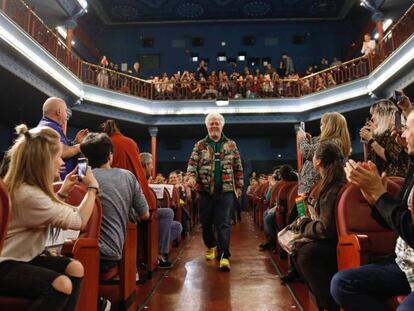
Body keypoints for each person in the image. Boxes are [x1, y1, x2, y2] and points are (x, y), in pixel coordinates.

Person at [0, 124, 101, 310]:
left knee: (75, 268)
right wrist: (92, 188)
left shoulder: (27, 188)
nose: (62, 163)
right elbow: (79, 221)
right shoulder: (29, 194)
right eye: (58, 157)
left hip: (22, 257)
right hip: (5, 264)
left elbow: (44, 213)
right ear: (44, 160)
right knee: (62, 284)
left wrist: (63, 192)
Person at [330, 109, 414, 310]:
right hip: (404, 264)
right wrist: (376, 201)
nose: (402, 135)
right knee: (341, 284)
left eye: (408, 129)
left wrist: (380, 196)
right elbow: (399, 219)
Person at [80, 133, 152, 273]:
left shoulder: (82, 177)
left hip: (81, 248)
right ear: (110, 155)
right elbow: (145, 215)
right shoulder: (127, 176)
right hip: (109, 254)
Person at [289, 142, 347, 311]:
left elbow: (326, 229)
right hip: (338, 238)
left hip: (337, 243)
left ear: (318, 161)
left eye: (313, 156)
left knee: (301, 251)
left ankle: (327, 304)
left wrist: (304, 225)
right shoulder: (337, 180)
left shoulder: (331, 187)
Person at [187, 112, 244, 271]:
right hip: (205, 191)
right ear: (207, 126)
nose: (214, 126)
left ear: (222, 125)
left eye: (216, 123)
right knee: (205, 223)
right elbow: (192, 164)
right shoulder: (200, 145)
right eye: (211, 123)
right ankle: (211, 244)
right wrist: (191, 177)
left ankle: (224, 255)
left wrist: (239, 186)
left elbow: (238, 168)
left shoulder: (231, 145)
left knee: (224, 224)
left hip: (226, 191)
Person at [140, 152, 183, 268]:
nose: (153, 167)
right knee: (168, 212)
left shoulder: (145, 179)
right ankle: (158, 254)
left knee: (177, 226)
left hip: (148, 211)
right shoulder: (139, 179)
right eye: (151, 165)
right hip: (141, 214)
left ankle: (155, 250)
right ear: (146, 165)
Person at [38, 97, 88, 180]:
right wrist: (80, 146)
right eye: (65, 111)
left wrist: (76, 142)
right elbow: (62, 152)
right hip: (57, 185)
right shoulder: (48, 127)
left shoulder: (52, 126)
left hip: (64, 183)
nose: (66, 115)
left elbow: (64, 149)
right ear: (59, 111)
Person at [360, 99, 409, 177]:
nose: (372, 118)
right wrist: (366, 142)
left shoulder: (396, 130)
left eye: (374, 113)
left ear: (383, 113)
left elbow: (392, 158)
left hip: (396, 180)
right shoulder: (381, 134)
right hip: (383, 179)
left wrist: (371, 140)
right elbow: (368, 162)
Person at [259, 165, 298, 251]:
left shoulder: (280, 184)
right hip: (285, 208)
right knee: (266, 214)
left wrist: (271, 186)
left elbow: (268, 198)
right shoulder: (281, 184)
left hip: (284, 209)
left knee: (267, 218)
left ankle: (275, 241)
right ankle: (272, 240)